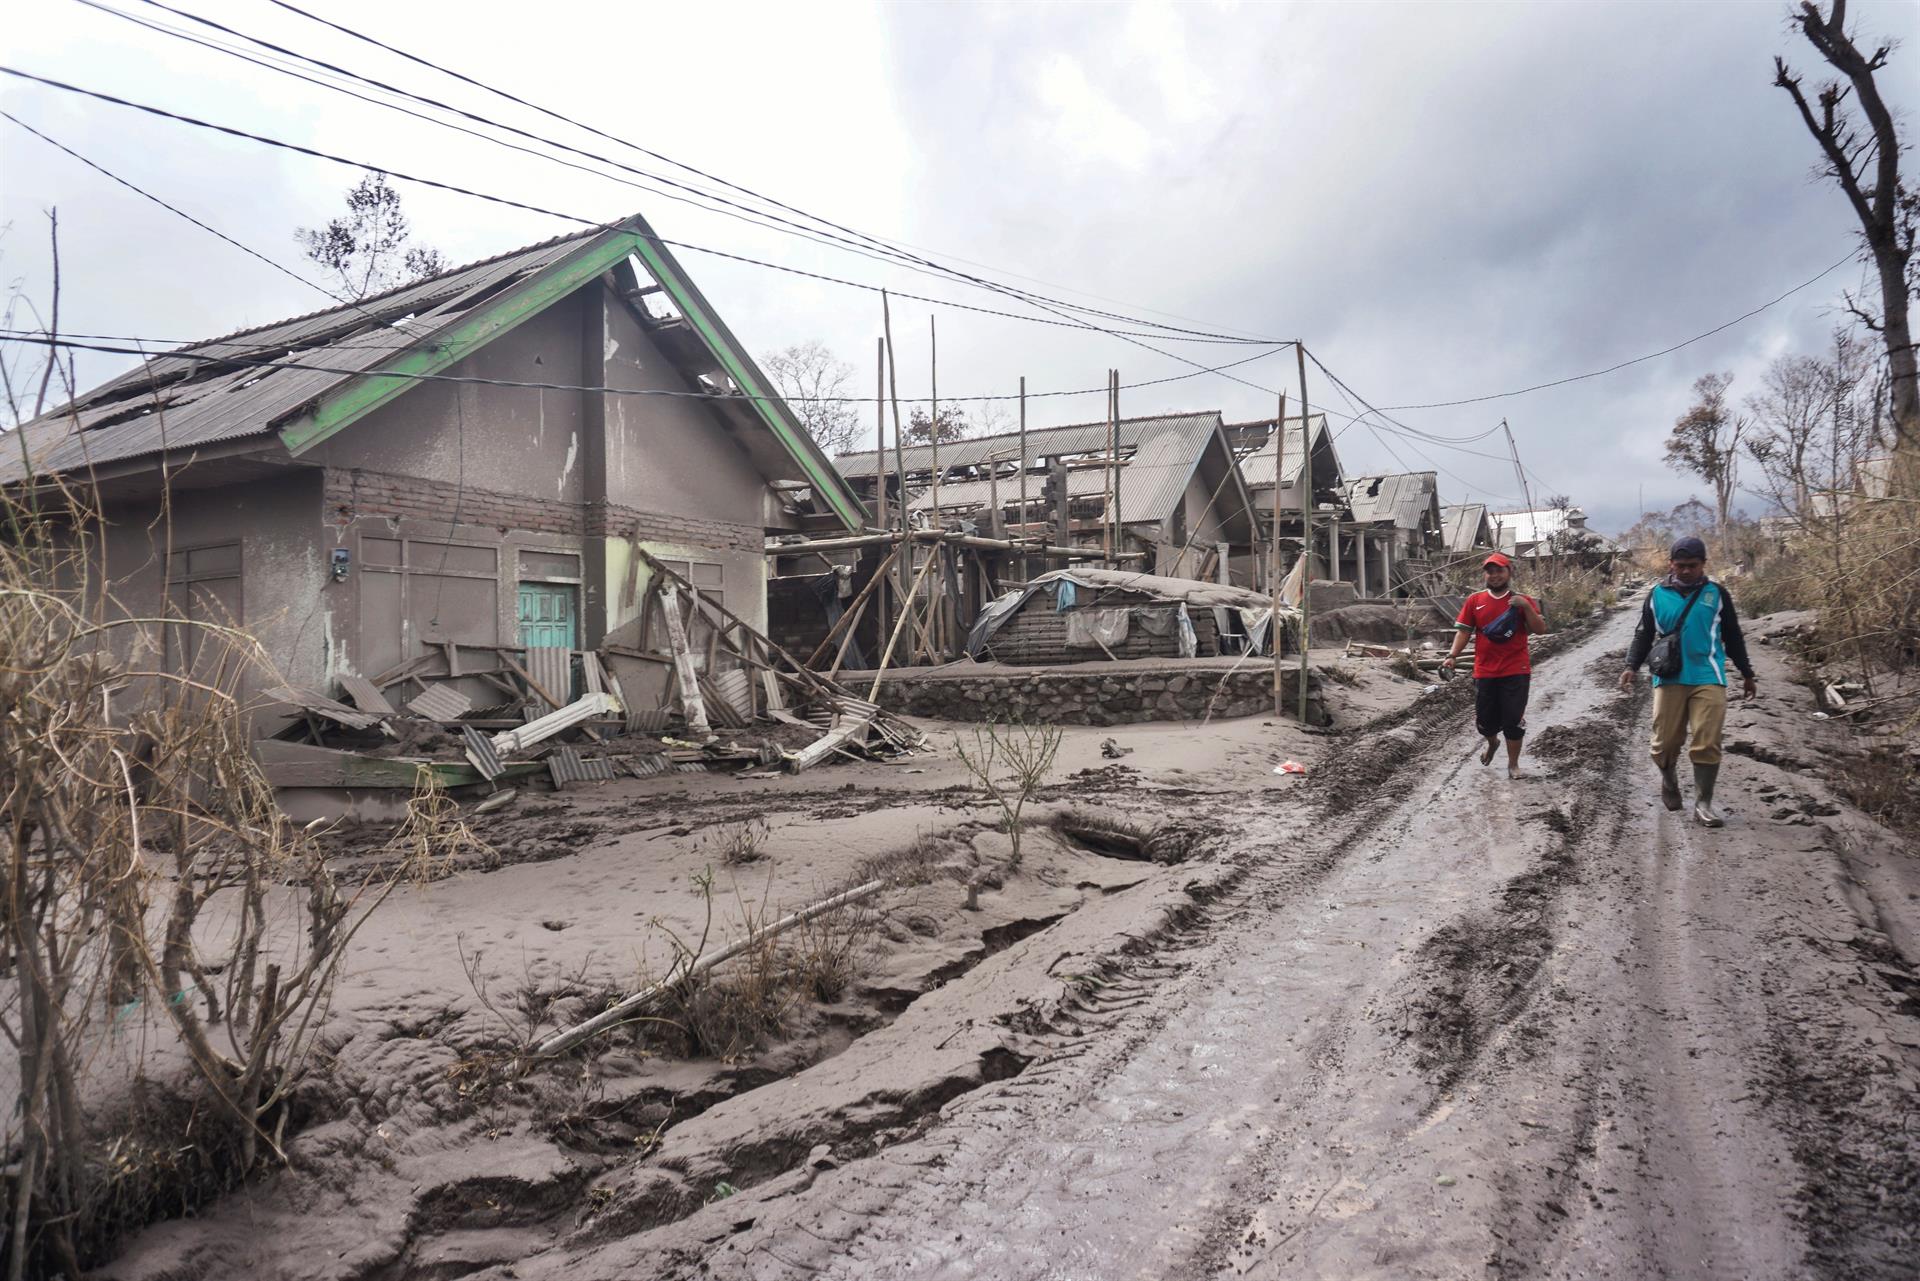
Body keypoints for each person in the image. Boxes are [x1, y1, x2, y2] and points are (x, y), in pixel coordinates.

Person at [1618, 536, 1757, 827]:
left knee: (1707, 740)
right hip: (1669, 677)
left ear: (1703, 565)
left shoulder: (1716, 594)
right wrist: (1631, 665)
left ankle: (1704, 803)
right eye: (1680, 566)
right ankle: (1669, 779)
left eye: (1692, 566)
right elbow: (1643, 634)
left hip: (1708, 676)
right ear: (1671, 564)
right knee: (1664, 744)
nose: (1685, 571)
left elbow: (1732, 636)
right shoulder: (1656, 595)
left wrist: (1746, 673)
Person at [1442, 552, 1547, 779]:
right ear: (1485, 575)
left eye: (1500, 570)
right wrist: (1452, 656)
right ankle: (1492, 742)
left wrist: (1526, 608)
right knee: (1485, 722)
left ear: (1509, 572)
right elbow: (1463, 632)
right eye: (1490, 571)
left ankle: (1513, 765)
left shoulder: (1522, 601)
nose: (1495, 575)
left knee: (1513, 719)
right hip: (1485, 670)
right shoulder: (1475, 601)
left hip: (1516, 670)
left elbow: (1540, 630)